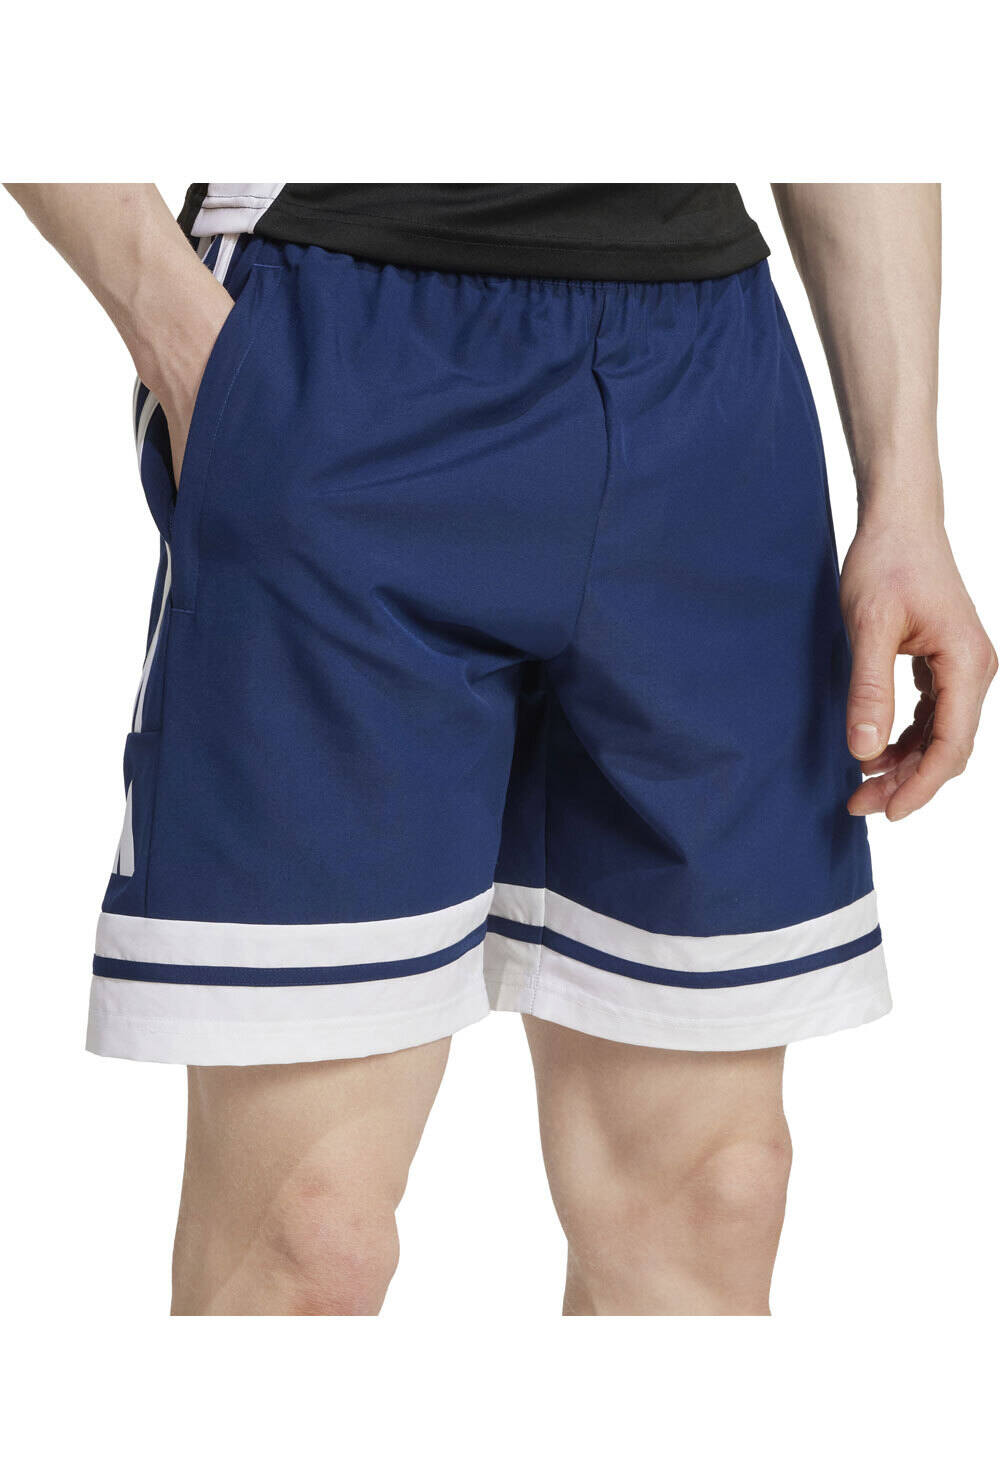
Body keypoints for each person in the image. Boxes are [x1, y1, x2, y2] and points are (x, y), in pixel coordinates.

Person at [7, 183, 994, 1316]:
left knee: (710, 1199)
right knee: (307, 1241)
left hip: (705, 386)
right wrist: (182, 338)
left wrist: (906, 494)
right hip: (342, 330)